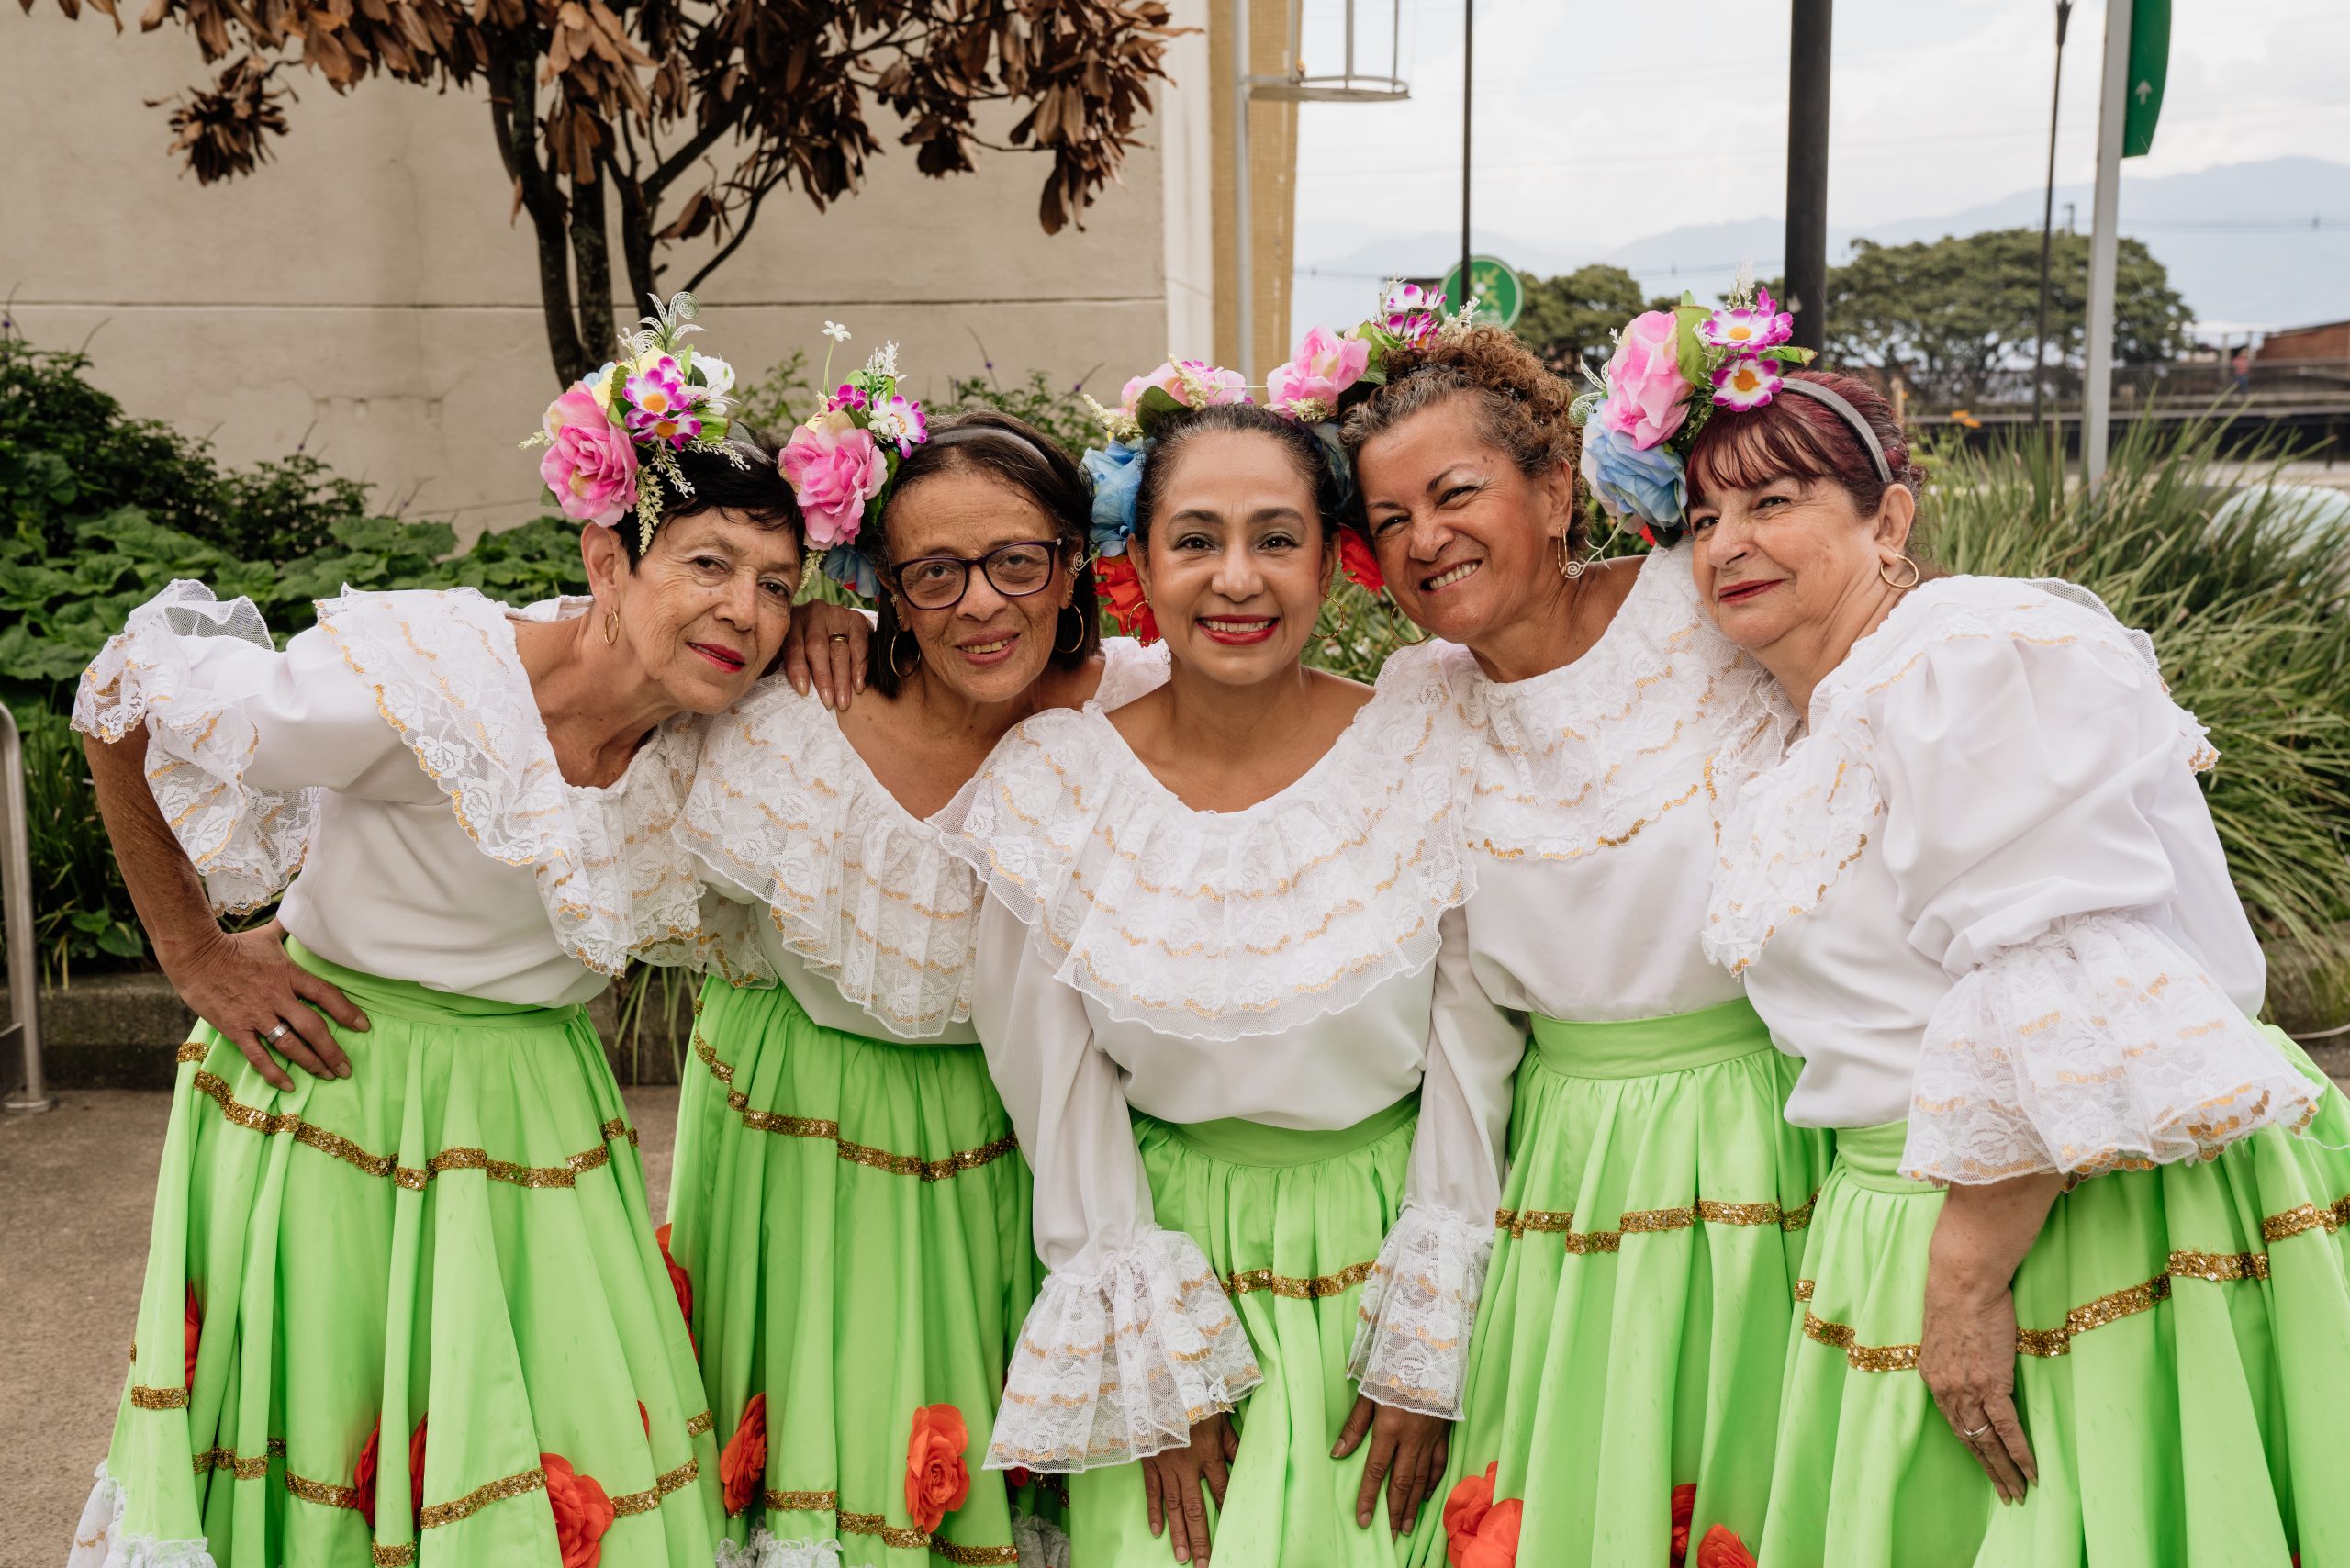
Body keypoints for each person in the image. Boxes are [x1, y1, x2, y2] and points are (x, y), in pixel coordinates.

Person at [65, 297, 795, 1568]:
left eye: (780, 585)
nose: (745, 609)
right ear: (608, 559)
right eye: (709, 563)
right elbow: (123, 700)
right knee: (335, 1474)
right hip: (347, 1101)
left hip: (546, 1120)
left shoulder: (722, 725)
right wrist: (193, 952)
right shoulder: (435, 685)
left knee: (565, 1471)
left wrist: (833, 623)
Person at [1686, 364, 2350, 1565]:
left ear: (1889, 518)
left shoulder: (1966, 657)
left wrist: (1966, 1287)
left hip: (2066, 1205)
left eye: (1774, 502)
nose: (1728, 543)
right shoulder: (1815, 717)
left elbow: (2063, 981)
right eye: (1701, 519)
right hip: (1917, 1210)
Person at [945, 372, 1521, 1568]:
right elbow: (1058, 1094)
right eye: (1196, 541)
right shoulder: (1053, 789)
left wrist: (1428, 1336)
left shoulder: (1426, 752)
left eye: (1278, 539)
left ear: (1333, 562)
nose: (1239, 579)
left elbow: (1477, 1051)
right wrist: (1150, 1361)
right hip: (1164, 1249)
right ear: (1136, 569)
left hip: (1393, 1254)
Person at [1322, 292, 1818, 1566]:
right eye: (1390, 523)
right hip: (1572, 1182)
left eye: (1456, 492)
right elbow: (1464, 1038)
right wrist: (1423, 1348)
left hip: (1781, 1138)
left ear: (1553, 490)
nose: (1425, 538)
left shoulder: (1704, 608)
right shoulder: (1416, 709)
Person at [666, 383, 1170, 1567]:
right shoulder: (788, 714)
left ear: (1076, 564)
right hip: (791, 1153)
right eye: (933, 573)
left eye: (1016, 563)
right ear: (883, 588)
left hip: (1030, 1156)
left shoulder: (1149, 710)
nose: (981, 603)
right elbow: (594, 690)